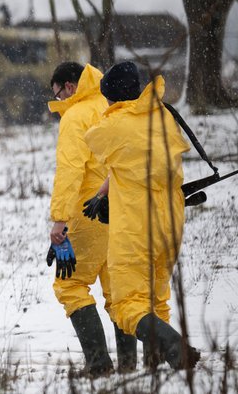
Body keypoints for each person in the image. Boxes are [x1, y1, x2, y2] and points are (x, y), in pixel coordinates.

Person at [84, 61, 199, 370]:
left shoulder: (113, 125)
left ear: (113, 97)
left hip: (136, 226)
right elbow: (134, 161)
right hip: (170, 222)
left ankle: (176, 348)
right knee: (157, 299)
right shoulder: (161, 116)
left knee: (127, 304)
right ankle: (156, 367)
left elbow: (97, 140)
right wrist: (105, 192)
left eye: (107, 97)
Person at [47, 62, 137, 376]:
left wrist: (59, 219)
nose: (57, 99)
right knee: (119, 290)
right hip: (121, 209)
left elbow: (70, 171)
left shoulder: (75, 117)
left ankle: (99, 364)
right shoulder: (110, 105)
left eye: (57, 92)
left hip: (89, 212)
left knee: (70, 284)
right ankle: (129, 364)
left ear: (69, 86)